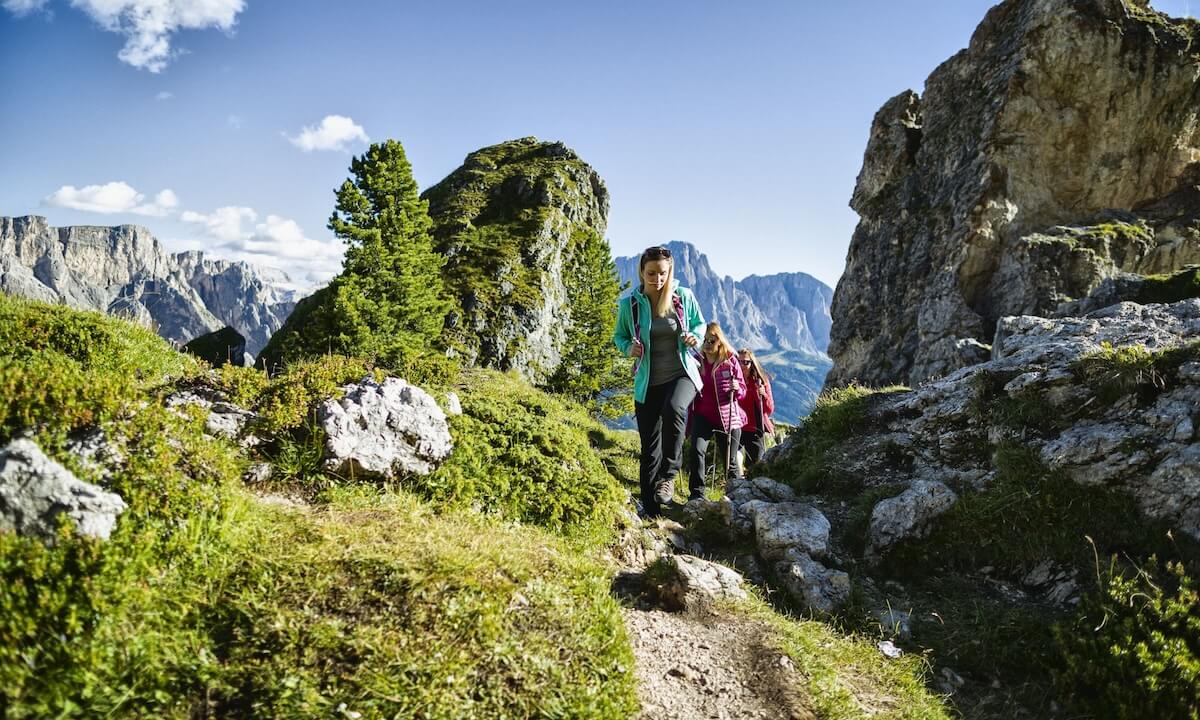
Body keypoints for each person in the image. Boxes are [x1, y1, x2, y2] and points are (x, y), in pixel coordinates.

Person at [612, 246, 706, 516]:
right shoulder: (629, 303)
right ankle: (650, 510)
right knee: (649, 446)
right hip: (647, 381)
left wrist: (694, 338)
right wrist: (628, 348)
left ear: (669, 272)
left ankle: (669, 476)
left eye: (662, 273)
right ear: (642, 271)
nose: (657, 279)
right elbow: (619, 336)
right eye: (651, 273)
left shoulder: (682, 297)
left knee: (675, 407)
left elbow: (700, 324)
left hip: (682, 372)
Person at [687, 322, 746, 499]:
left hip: (727, 417)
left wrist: (737, 387)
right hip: (702, 415)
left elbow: (742, 390)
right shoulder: (696, 361)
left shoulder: (730, 361)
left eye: (711, 341)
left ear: (719, 342)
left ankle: (736, 495)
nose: (707, 344)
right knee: (697, 450)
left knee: (730, 460)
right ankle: (697, 494)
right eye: (704, 340)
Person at [736, 348, 775, 465]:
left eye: (746, 362)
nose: (742, 365)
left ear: (752, 364)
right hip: (737, 427)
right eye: (739, 361)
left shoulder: (761, 381)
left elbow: (769, 409)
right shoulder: (733, 380)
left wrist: (763, 395)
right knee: (733, 460)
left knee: (754, 463)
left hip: (755, 429)